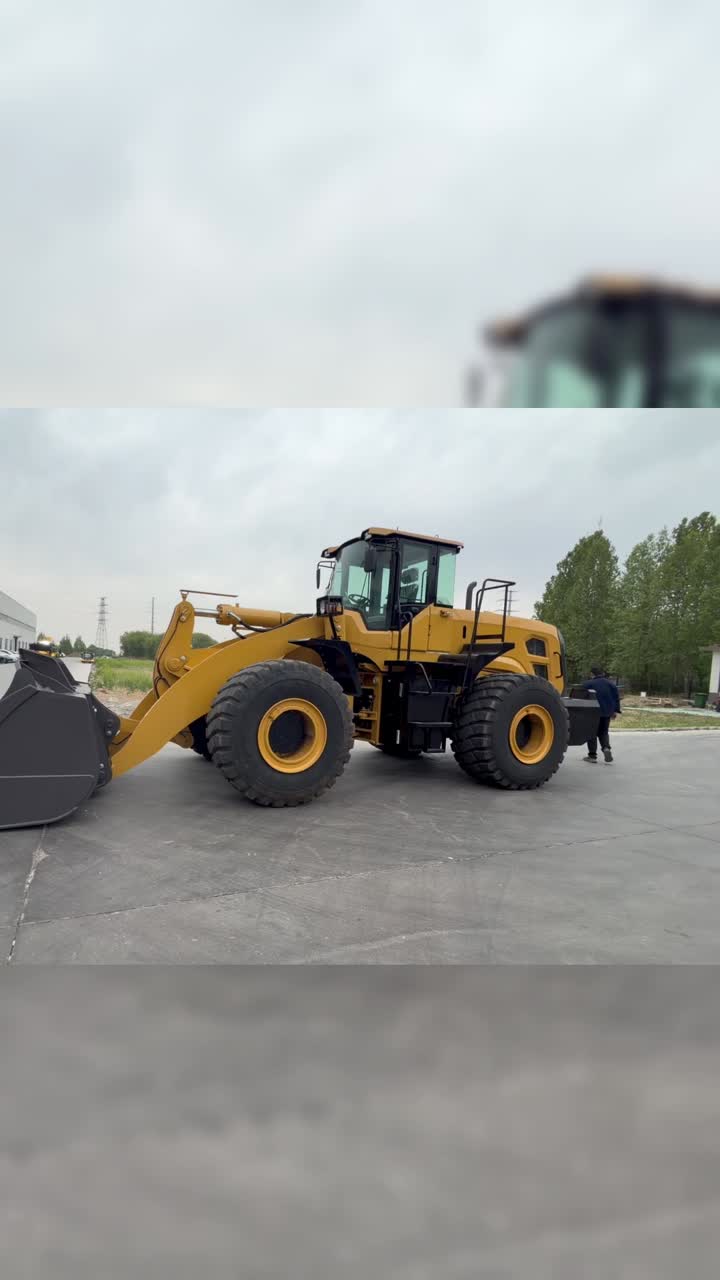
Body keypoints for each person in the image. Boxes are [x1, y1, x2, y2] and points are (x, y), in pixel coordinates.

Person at [582, 666, 621, 764]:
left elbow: (581, 697)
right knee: (603, 732)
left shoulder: (588, 684)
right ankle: (606, 748)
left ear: (592, 674)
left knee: (591, 733)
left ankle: (592, 756)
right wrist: (615, 711)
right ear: (602, 673)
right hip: (607, 712)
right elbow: (616, 698)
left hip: (592, 713)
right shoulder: (611, 684)